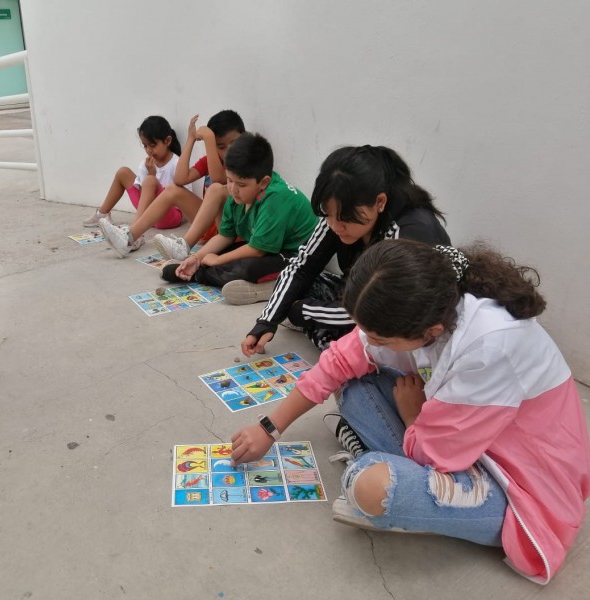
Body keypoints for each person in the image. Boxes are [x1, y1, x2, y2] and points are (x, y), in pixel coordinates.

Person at [231, 240, 590, 584]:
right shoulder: (426, 306)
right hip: (460, 438)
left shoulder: (490, 346)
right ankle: (408, 483)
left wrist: (411, 414)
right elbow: (340, 359)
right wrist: (269, 428)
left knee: (371, 485)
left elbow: (435, 454)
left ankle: (414, 501)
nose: (370, 342)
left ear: (430, 331)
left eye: (381, 339)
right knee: (352, 386)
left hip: (517, 486)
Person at [242, 145, 449, 355]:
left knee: (360, 342)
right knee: (298, 281)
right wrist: (267, 322)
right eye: (328, 214)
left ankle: (336, 346)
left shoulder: (407, 234)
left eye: (346, 218)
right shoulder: (338, 217)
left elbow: (384, 311)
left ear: (379, 202)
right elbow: (302, 266)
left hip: (399, 317)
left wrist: (307, 312)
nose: (335, 226)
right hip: (359, 296)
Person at [161, 132, 319, 305]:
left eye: (241, 184)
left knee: (248, 267)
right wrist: (197, 258)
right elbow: (225, 236)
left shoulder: (276, 199)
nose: (233, 189)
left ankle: (203, 276)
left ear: (263, 183)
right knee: (217, 252)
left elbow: (257, 250)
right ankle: (199, 269)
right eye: (229, 180)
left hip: (298, 256)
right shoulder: (236, 195)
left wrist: (217, 261)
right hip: (270, 248)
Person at [100, 110, 244, 258]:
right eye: (221, 146)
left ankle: (184, 245)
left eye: (234, 143)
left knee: (216, 188)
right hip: (208, 225)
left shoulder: (246, 161)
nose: (229, 151)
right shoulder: (210, 160)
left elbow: (218, 179)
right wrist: (191, 139)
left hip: (230, 229)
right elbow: (180, 179)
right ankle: (128, 239)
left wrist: (208, 139)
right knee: (172, 189)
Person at [83, 115, 183, 253]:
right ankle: (101, 214)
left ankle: (135, 234)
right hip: (148, 214)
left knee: (150, 181)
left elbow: (181, 198)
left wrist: (152, 177)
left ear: (168, 141)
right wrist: (150, 174)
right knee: (123, 172)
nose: (148, 150)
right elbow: (144, 197)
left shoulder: (177, 163)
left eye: (152, 145)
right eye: (145, 145)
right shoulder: (145, 164)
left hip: (169, 216)